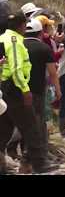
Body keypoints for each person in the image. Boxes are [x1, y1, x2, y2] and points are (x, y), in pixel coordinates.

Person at [0, 12, 59, 174]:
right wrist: (25, 91)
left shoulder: (2, 38)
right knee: (31, 127)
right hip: (15, 88)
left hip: (3, 88)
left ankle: (1, 165)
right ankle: (39, 163)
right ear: (21, 26)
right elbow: (16, 68)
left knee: (4, 128)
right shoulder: (14, 42)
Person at [22, 19, 61, 166]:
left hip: (17, 91)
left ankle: (25, 158)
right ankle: (39, 159)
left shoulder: (18, 45)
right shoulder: (44, 48)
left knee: (24, 125)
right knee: (39, 125)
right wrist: (58, 91)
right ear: (40, 33)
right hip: (37, 92)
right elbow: (52, 73)